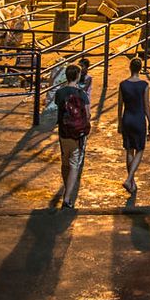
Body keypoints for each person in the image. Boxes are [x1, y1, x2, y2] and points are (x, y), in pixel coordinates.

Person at [54, 62, 91, 208]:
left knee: (65, 162)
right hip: (78, 134)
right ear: (78, 75)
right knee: (75, 164)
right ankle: (67, 197)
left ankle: (66, 187)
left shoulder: (60, 93)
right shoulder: (82, 94)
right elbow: (87, 115)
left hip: (63, 132)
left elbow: (59, 109)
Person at [117, 55, 150, 196]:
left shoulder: (123, 84)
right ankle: (129, 178)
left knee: (129, 150)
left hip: (127, 118)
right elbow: (146, 106)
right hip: (138, 119)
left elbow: (120, 105)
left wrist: (119, 123)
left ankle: (132, 182)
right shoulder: (144, 85)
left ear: (130, 68)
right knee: (140, 149)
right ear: (140, 69)